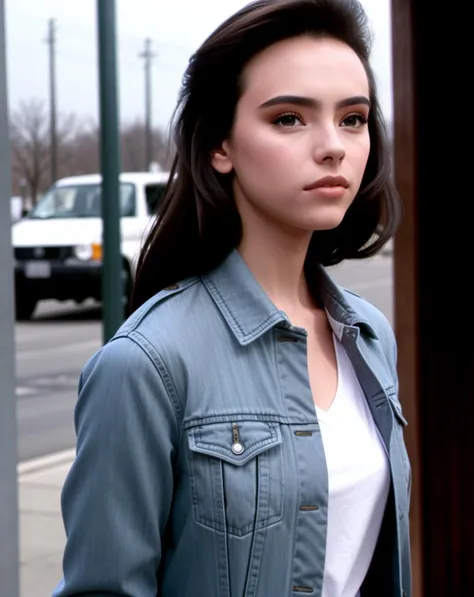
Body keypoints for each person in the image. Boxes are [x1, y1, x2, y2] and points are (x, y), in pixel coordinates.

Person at [53, 1, 412, 596]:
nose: (333, 147)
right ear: (221, 145)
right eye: (290, 119)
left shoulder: (369, 336)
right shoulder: (146, 365)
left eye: (353, 118)